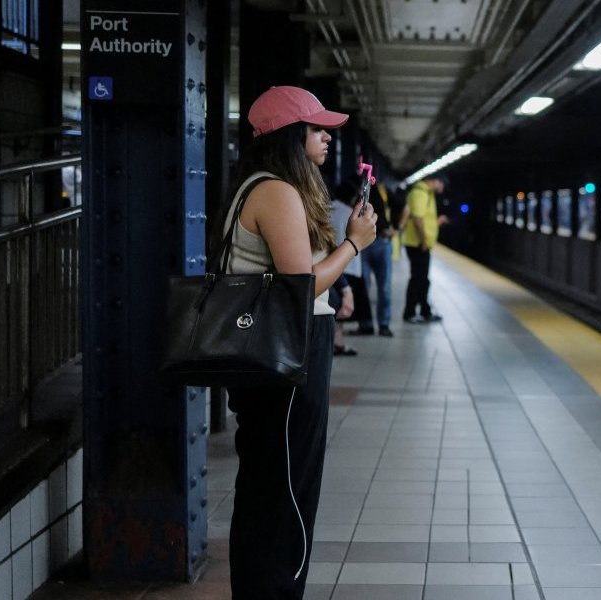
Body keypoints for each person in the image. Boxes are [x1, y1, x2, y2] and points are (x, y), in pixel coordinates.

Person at [221, 85, 376, 599]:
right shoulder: (276, 192)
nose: (327, 135)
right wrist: (354, 242)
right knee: (287, 491)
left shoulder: (260, 187)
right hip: (284, 353)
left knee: (270, 484)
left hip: (274, 351)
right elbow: (300, 282)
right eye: (315, 128)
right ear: (290, 135)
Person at [330, 176, 370, 353]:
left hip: (332, 262)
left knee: (334, 305)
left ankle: (335, 342)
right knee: (343, 308)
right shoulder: (350, 213)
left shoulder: (327, 210)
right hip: (350, 264)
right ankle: (337, 342)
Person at [401, 175, 449, 323]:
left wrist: (436, 222)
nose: (442, 190)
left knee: (423, 279)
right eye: (442, 186)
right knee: (418, 279)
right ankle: (409, 313)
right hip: (417, 244)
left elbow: (423, 217)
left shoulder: (426, 194)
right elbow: (417, 219)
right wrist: (423, 240)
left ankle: (425, 310)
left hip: (420, 243)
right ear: (436, 181)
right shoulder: (420, 193)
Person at [356, 181, 397, 336]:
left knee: (384, 287)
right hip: (363, 244)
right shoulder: (359, 191)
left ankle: (384, 324)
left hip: (381, 242)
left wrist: (397, 228)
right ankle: (366, 324)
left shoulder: (383, 190)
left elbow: (405, 208)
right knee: (363, 287)